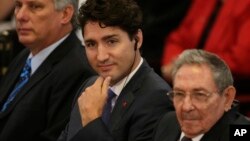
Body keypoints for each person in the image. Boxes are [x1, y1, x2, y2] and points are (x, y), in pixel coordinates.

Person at [57, 0, 173, 141]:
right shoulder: (89, 86)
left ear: (137, 39)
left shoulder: (157, 98)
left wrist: (92, 120)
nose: (101, 56)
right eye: (91, 44)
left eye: (111, 41)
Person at [0, 0, 95, 140]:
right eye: (19, 5)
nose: (20, 16)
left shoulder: (77, 70)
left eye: (35, 7)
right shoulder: (26, 54)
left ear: (65, 14)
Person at [154, 49, 250, 141]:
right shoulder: (167, 122)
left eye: (199, 95)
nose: (186, 107)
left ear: (227, 98)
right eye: (179, 94)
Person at [161, 0, 250, 83]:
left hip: (229, 89)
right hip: (189, 82)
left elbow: (242, 61)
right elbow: (178, 39)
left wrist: (192, 68)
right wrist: (173, 63)